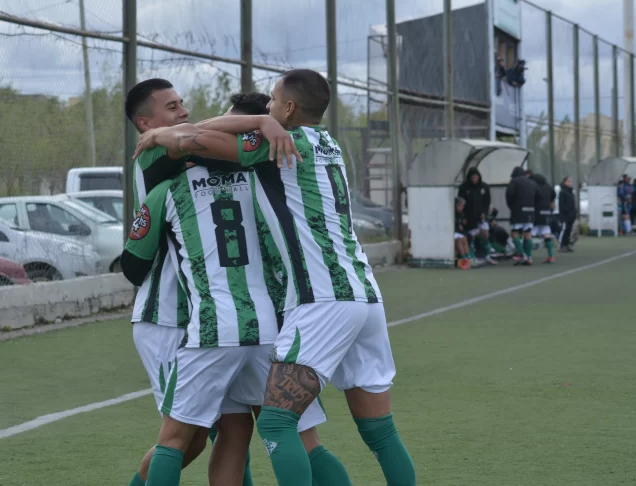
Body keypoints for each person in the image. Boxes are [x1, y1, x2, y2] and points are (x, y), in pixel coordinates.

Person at [134, 68, 415, 486]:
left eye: (271, 101)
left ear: (287, 108)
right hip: (365, 294)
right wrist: (260, 119)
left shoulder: (275, 144)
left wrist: (163, 135)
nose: (266, 108)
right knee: (377, 431)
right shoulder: (329, 143)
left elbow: (194, 138)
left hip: (319, 299)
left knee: (275, 426)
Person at [125, 91, 347, 486]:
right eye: (173, 107)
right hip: (267, 326)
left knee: (178, 441)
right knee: (273, 434)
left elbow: (133, 264)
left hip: (208, 325)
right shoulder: (264, 187)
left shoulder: (168, 189)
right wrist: (261, 122)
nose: (191, 118)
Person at [457, 167, 495, 264]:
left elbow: (487, 202)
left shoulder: (484, 187)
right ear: (469, 178)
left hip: (481, 216)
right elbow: (460, 203)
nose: (474, 179)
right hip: (469, 217)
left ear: (479, 177)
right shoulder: (464, 187)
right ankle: (473, 257)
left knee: (485, 234)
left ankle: (487, 255)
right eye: (472, 177)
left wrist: (484, 213)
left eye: (476, 177)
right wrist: (463, 217)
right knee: (472, 236)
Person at [506, 166, 539, 266]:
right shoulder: (532, 182)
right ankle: (529, 257)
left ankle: (521, 254)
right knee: (527, 234)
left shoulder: (514, 182)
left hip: (518, 211)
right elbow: (539, 196)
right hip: (530, 211)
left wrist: (512, 207)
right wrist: (533, 206)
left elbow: (509, 196)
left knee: (514, 233)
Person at [529, 173, 557, 263]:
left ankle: (528, 256)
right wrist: (549, 201)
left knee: (529, 234)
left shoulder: (533, 186)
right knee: (546, 233)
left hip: (536, 212)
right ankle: (551, 256)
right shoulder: (548, 186)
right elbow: (553, 194)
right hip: (547, 211)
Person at [558, 176, 576, 252]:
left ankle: (567, 245)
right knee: (564, 230)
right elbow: (562, 205)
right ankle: (561, 246)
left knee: (569, 230)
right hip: (565, 216)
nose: (570, 183)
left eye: (571, 181)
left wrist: (574, 212)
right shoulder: (562, 192)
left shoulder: (571, 192)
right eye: (568, 181)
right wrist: (567, 212)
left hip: (571, 216)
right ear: (565, 182)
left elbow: (573, 204)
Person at [454, 197, 471, 270]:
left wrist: (462, 224)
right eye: (459, 205)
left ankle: (467, 257)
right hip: (451, 232)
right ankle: (463, 258)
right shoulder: (452, 213)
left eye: (462, 206)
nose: (461, 208)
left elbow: (461, 225)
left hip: (457, 232)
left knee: (464, 239)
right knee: (459, 239)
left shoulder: (461, 214)